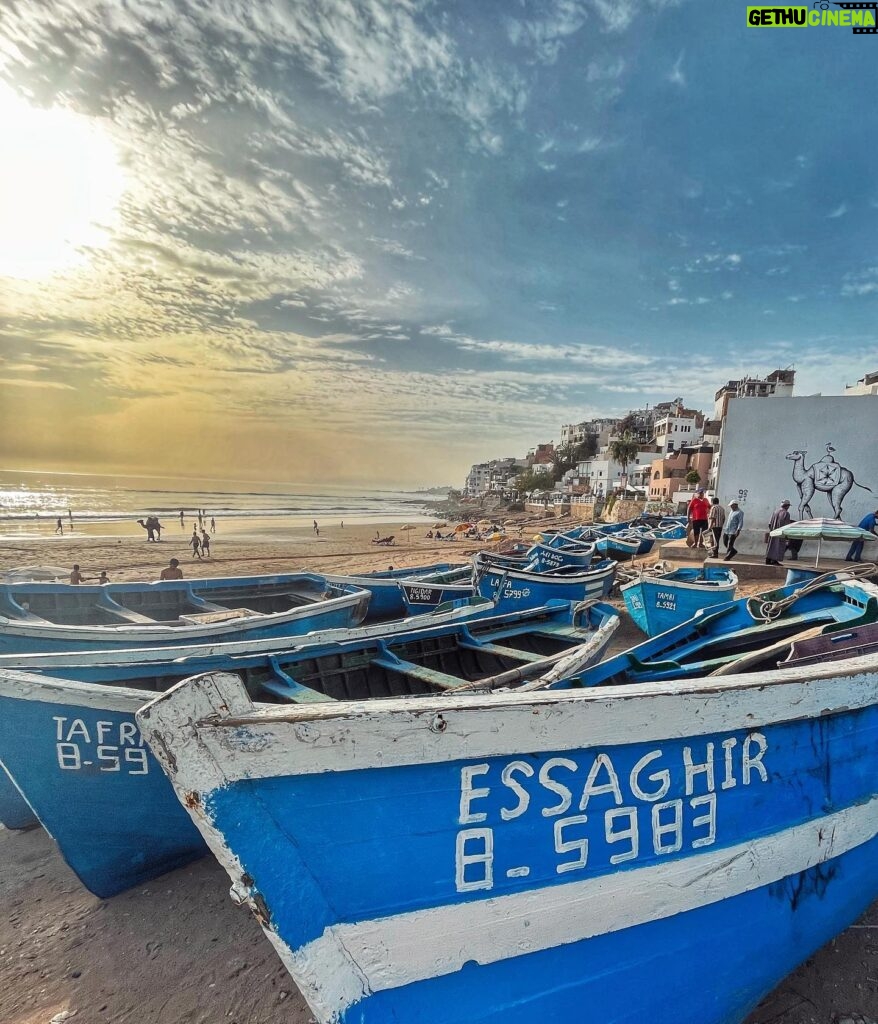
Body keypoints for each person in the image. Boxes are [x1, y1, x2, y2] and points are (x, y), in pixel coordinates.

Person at [765, 499, 793, 565]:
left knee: (771, 546)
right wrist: (786, 535)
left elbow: (769, 523)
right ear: (787, 506)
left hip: (773, 532)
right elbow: (787, 525)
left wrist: (772, 530)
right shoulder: (786, 513)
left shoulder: (775, 512)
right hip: (781, 533)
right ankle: (774, 560)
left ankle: (768, 560)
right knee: (779, 547)